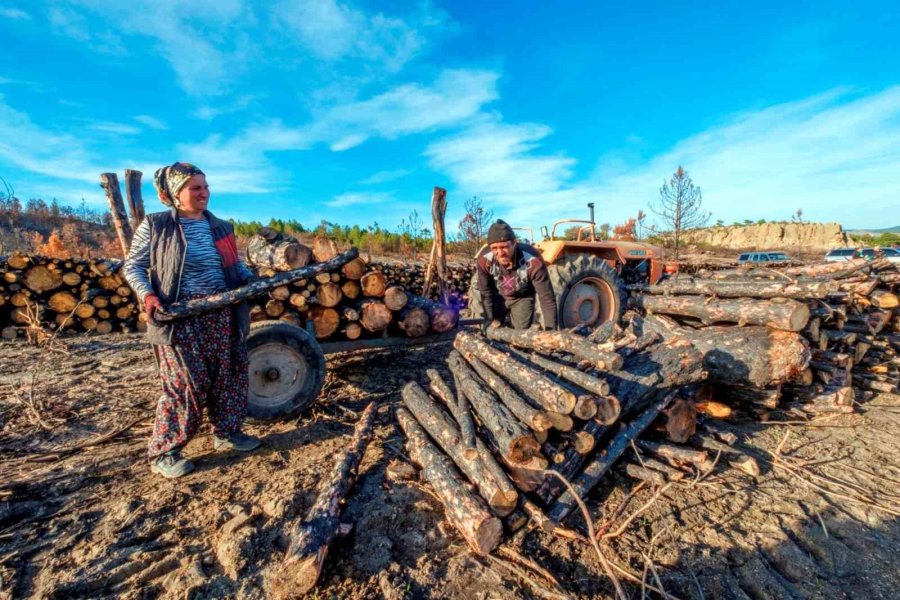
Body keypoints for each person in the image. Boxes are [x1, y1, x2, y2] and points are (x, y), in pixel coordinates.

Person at [124, 162, 261, 479]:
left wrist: (254, 282)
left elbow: (236, 270)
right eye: (195, 188)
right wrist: (147, 295)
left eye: (206, 186)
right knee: (184, 384)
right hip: (180, 318)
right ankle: (164, 451)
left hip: (222, 314)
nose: (204, 193)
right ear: (175, 194)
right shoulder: (157, 225)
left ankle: (226, 434)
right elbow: (132, 267)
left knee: (229, 375)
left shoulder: (222, 227)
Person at [475, 219, 557, 331]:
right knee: (492, 332)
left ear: (514, 243)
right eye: (494, 248)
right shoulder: (484, 260)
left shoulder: (533, 261)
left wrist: (551, 332)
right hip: (496, 296)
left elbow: (546, 298)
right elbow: (485, 292)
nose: (500, 253)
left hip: (521, 298)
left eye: (504, 247)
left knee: (520, 336)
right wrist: (489, 319)